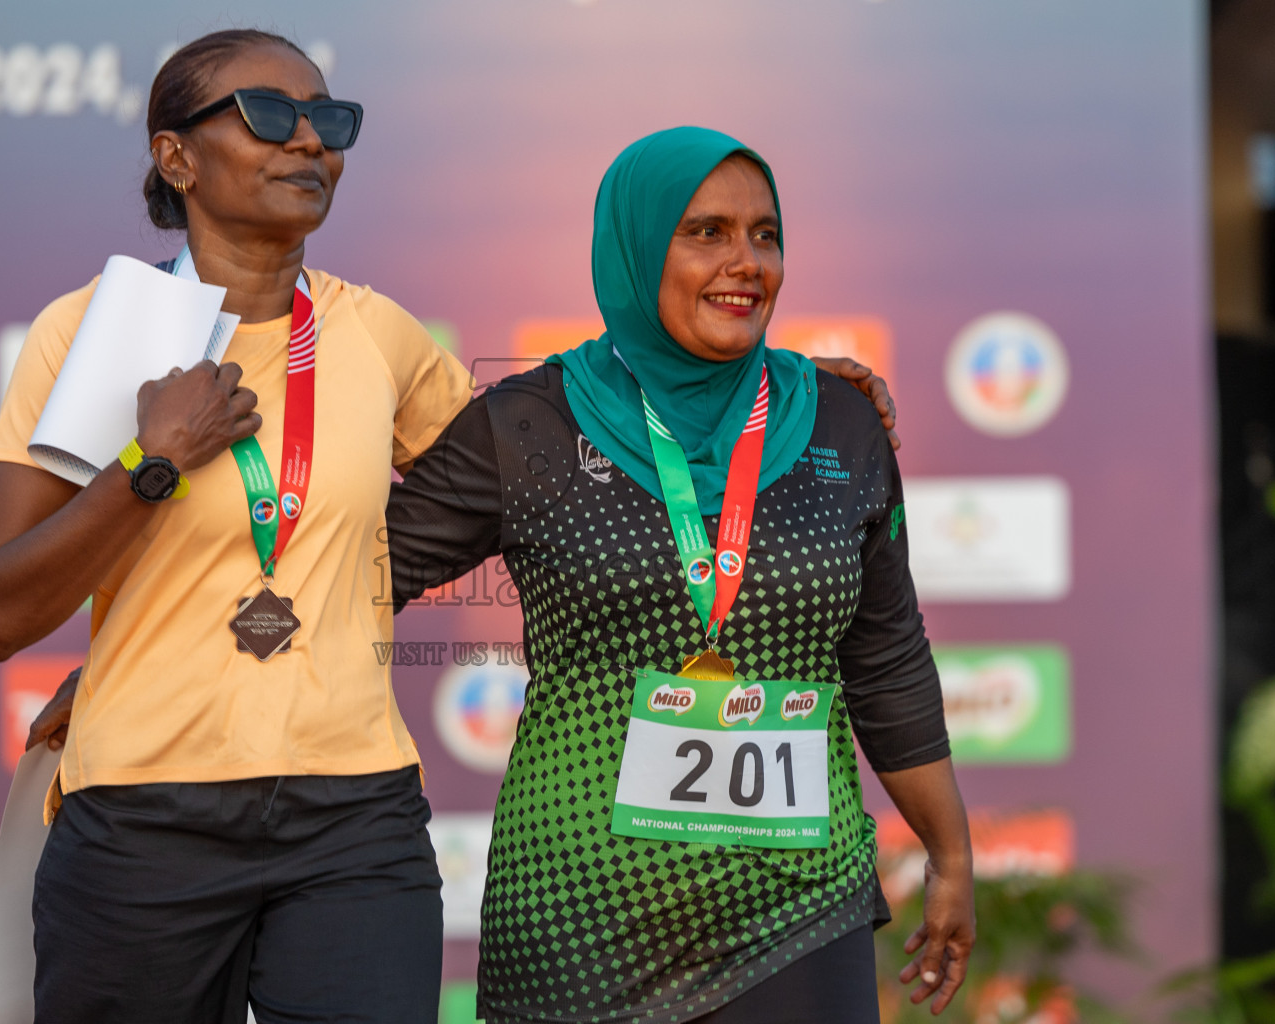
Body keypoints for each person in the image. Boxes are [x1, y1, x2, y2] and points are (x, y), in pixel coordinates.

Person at [0, 29, 901, 1024]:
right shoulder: (104, 333)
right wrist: (149, 465)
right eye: (270, 117)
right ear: (177, 158)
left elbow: (557, 447)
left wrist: (782, 391)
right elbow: (0, 608)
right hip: (142, 811)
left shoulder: (373, 332)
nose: (308, 143)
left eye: (330, 123)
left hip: (352, 813)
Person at [381, 128, 975, 1024]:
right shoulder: (530, 426)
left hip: (799, 907)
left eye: (765, 235)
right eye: (706, 233)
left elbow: (887, 654)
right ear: (635, 245)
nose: (747, 263)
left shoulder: (842, 422)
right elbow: (347, 581)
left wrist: (951, 855)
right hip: (578, 913)